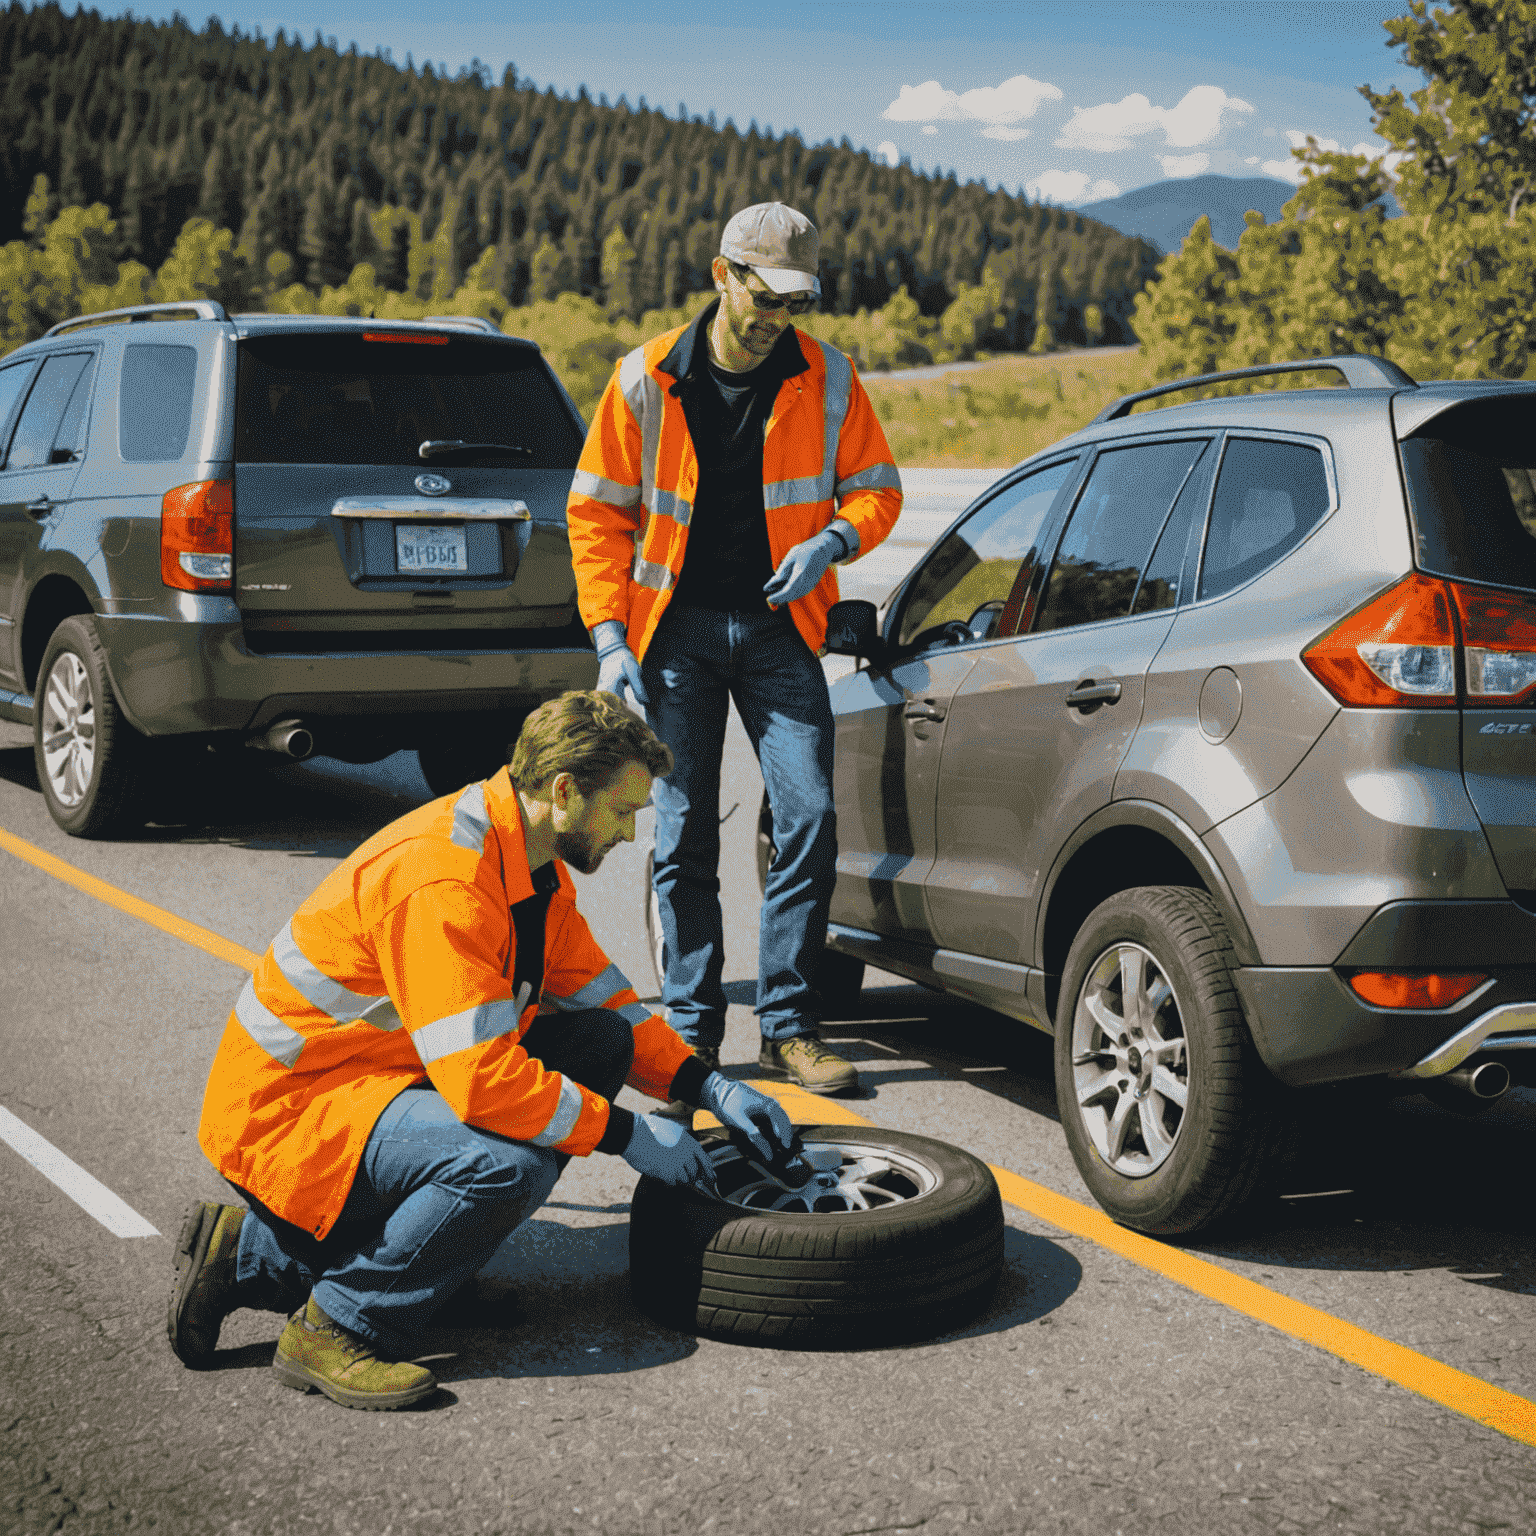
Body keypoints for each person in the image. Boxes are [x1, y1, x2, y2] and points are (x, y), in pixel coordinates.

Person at [168, 690, 794, 1411]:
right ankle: (339, 1323)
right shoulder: (445, 878)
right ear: (564, 791)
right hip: (291, 1110)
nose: (628, 833)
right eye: (622, 811)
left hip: (377, 1083)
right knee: (505, 1163)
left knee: (599, 1044)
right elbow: (479, 1080)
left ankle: (257, 1254)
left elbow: (608, 1003)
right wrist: (624, 1134)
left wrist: (711, 1088)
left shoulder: (530, 864)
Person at [567, 201, 902, 1111]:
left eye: (796, 301)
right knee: (681, 833)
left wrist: (831, 542)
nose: (776, 318)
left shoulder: (829, 377)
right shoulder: (643, 379)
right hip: (672, 638)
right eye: (765, 296)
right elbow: (596, 513)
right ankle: (690, 1034)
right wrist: (609, 639)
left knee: (810, 818)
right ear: (723, 275)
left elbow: (877, 490)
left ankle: (790, 1026)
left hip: (778, 631)